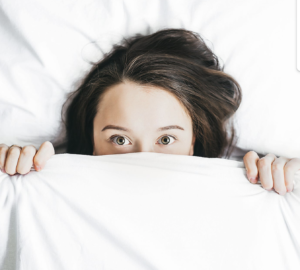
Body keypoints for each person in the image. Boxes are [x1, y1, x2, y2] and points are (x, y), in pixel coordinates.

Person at [0, 29, 298, 195]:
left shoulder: (245, 192)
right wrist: (9, 172)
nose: (143, 161)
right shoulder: (48, 192)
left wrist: (288, 181)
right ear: (90, 139)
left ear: (194, 141)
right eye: (119, 139)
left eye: (166, 140)